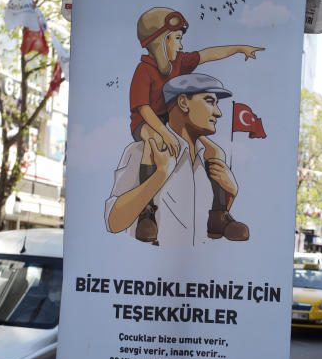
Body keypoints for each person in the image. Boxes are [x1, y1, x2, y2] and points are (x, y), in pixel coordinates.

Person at [128, 7, 263, 243]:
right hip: (147, 123)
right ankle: (147, 212)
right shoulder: (144, 70)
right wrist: (163, 133)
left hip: (170, 122)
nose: (180, 45)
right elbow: (143, 108)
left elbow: (208, 54)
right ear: (161, 40)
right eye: (177, 39)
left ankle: (219, 215)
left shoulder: (179, 62)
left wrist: (238, 49)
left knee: (215, 151)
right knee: (153, 143)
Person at [106, 73, 249, 246]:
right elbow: (114, 223)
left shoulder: (210, 157)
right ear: (183, 102)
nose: (218, 113)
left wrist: (230, 195)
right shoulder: (143, 151)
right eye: (210, 101)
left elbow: (206, 232)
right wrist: (159, 175)